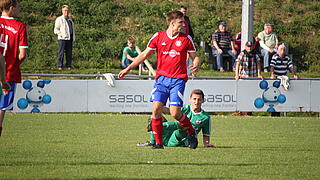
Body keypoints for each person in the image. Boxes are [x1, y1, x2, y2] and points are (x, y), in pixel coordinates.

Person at [118, 10, 200, 149]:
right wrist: (127, 69)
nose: (184, 25)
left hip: (178, 80)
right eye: (181, 22)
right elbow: (143, 54)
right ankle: (158, 143)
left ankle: (191, 133)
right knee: (156, 109)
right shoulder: (158, 37)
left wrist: (196, 64)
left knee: (175, 113)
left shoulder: (186, 39)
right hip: (161, 79)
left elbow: (195, 57)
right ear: (172, 23)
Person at [138, 89, 215, 148]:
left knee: (181, 125)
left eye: (199, 99)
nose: (196, 102)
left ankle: (153, 139)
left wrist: (207, 144)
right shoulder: (186, 108)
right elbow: (170, 111)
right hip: (172, 133)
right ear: (190, 99)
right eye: (194, 99)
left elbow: (206, 135)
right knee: (155, 117)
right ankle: (152, 141)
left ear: (203, 101)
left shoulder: (205, 117)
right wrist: (158, 107)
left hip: (181, 139)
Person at [0, 0, 28, 136]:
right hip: (8, 74)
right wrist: (13, 64)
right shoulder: (20, 26)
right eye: (18, 7)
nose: (20, 9)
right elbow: (22, 55)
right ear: (11, 8)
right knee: (1, 109)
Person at [234, 41, 263, 116]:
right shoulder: (242, 54)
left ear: (253, 47)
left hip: (252, 77)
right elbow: (237, 64)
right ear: (245, 46)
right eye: (248, 46)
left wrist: (259, 74)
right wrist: (237, 74)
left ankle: (249, 111)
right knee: (242, 95)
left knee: (251, 95)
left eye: (250, 46)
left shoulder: (255, 54)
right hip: (244, 77)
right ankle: (241, 111)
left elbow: (258, 64)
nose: (249, 48)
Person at [54, 5, 75, 70]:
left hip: (69, 38)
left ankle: (69, 65)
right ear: (62, 11)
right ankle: (59, 65)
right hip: (62, 39)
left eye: (68, 10)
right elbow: (55, 30)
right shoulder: (59, 19)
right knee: (61, 52)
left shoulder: (70, 19)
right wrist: (61, 35)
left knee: (69, 53)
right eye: (65, 10)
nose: (66, 12)